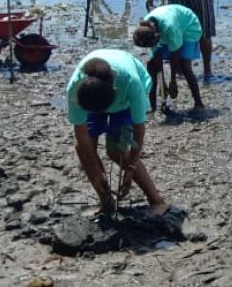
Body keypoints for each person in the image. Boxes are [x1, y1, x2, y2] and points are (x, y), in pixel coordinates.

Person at [66, 50, 168, 217]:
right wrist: (95, 170)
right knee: (83, 149)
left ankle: (157, 201)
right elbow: (81, 135)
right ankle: (106, 202)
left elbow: (139, 130)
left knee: (116, 150)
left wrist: (130, 168)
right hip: (95, 96)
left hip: (124, 102)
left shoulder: (132, 84)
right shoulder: (76, 88)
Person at [132, 4, 204, 112]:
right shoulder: (146, 27)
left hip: (189, 25)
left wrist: (172, 81)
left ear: (157, 36)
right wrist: (162, 83)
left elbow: (174, 56)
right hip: (170, 25)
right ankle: (153, 107)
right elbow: (157, 57)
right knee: (152, 66)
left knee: (184, 66)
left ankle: (199, 103)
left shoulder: (169, 28)